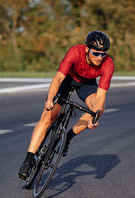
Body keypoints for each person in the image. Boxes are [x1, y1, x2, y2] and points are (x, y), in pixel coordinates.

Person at [18, 31, 115, 180]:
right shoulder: (75, 52)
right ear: (87, 49)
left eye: (103, 54)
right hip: (67, 79)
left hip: (86, 84)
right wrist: (50, 99)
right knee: (48, 115)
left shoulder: (108, 64)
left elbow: (101, 96)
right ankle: (28, 159)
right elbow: (58, 78)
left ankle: (67, 138)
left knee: (99, 108)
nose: (99, 58)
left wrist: (94, 118)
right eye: (96, 54)